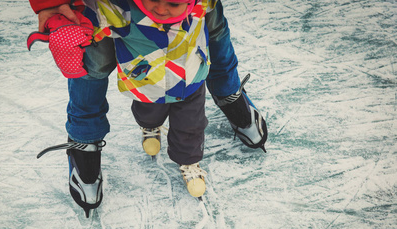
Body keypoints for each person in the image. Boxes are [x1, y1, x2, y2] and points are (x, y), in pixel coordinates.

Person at [28, 0, 268, 217]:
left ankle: (228, 92)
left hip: (190, 78)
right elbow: (89, 23)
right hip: (122, 19)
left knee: (214, 33)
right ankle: (85, 134)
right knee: (92, 64)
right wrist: (59, 17)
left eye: (172, 3)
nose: (162, 9)